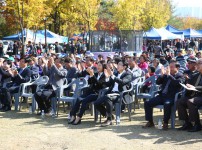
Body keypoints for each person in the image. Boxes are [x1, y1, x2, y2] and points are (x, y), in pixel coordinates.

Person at [143, 61, 184, 130]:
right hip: (162, 95)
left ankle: (165, 122)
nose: (170, 69)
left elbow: (177, 83)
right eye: (169, 67)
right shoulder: (166, 75)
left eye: (172, 67)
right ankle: (150, 121)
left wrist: (169, 76)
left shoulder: (180, 76)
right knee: (147, 103)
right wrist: (162, 75)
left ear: (177, 68)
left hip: (171, 97)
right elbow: (158, 82)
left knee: (167, 104)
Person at [94, 60, 133, 127]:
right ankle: (110, 116)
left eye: (120, 65)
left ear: (124, 67)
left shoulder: (128, 74)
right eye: (117, 64)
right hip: (112, 93)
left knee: (108, 98)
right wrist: (107, 77)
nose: (117, 66)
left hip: (120, 94)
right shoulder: (116, 73)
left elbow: (122, 82)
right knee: (96, 103)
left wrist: (112, 75)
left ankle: (109, 120)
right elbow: (109, 84)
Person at [176, 58, 202, 132]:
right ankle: (187, 123)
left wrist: (194, 87)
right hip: (195, 95)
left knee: (191, 101)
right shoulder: (196, 74)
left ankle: (197, 124)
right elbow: (189, 83)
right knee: (180, 101)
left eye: (199, 64)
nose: (197, 65)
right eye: (196, 64)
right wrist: (187, 83)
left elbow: (195, 87)